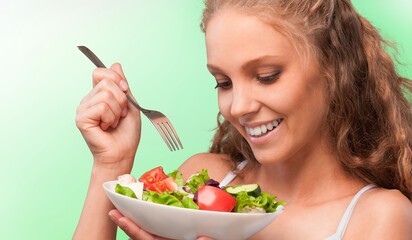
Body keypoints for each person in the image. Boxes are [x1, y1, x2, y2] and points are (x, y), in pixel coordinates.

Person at [73, 0, 412, 239]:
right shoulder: (199, 184)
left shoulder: (377, 217)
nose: (238, 106)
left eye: (267, 76)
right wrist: (110, 163)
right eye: (223, 82)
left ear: (332, 71)